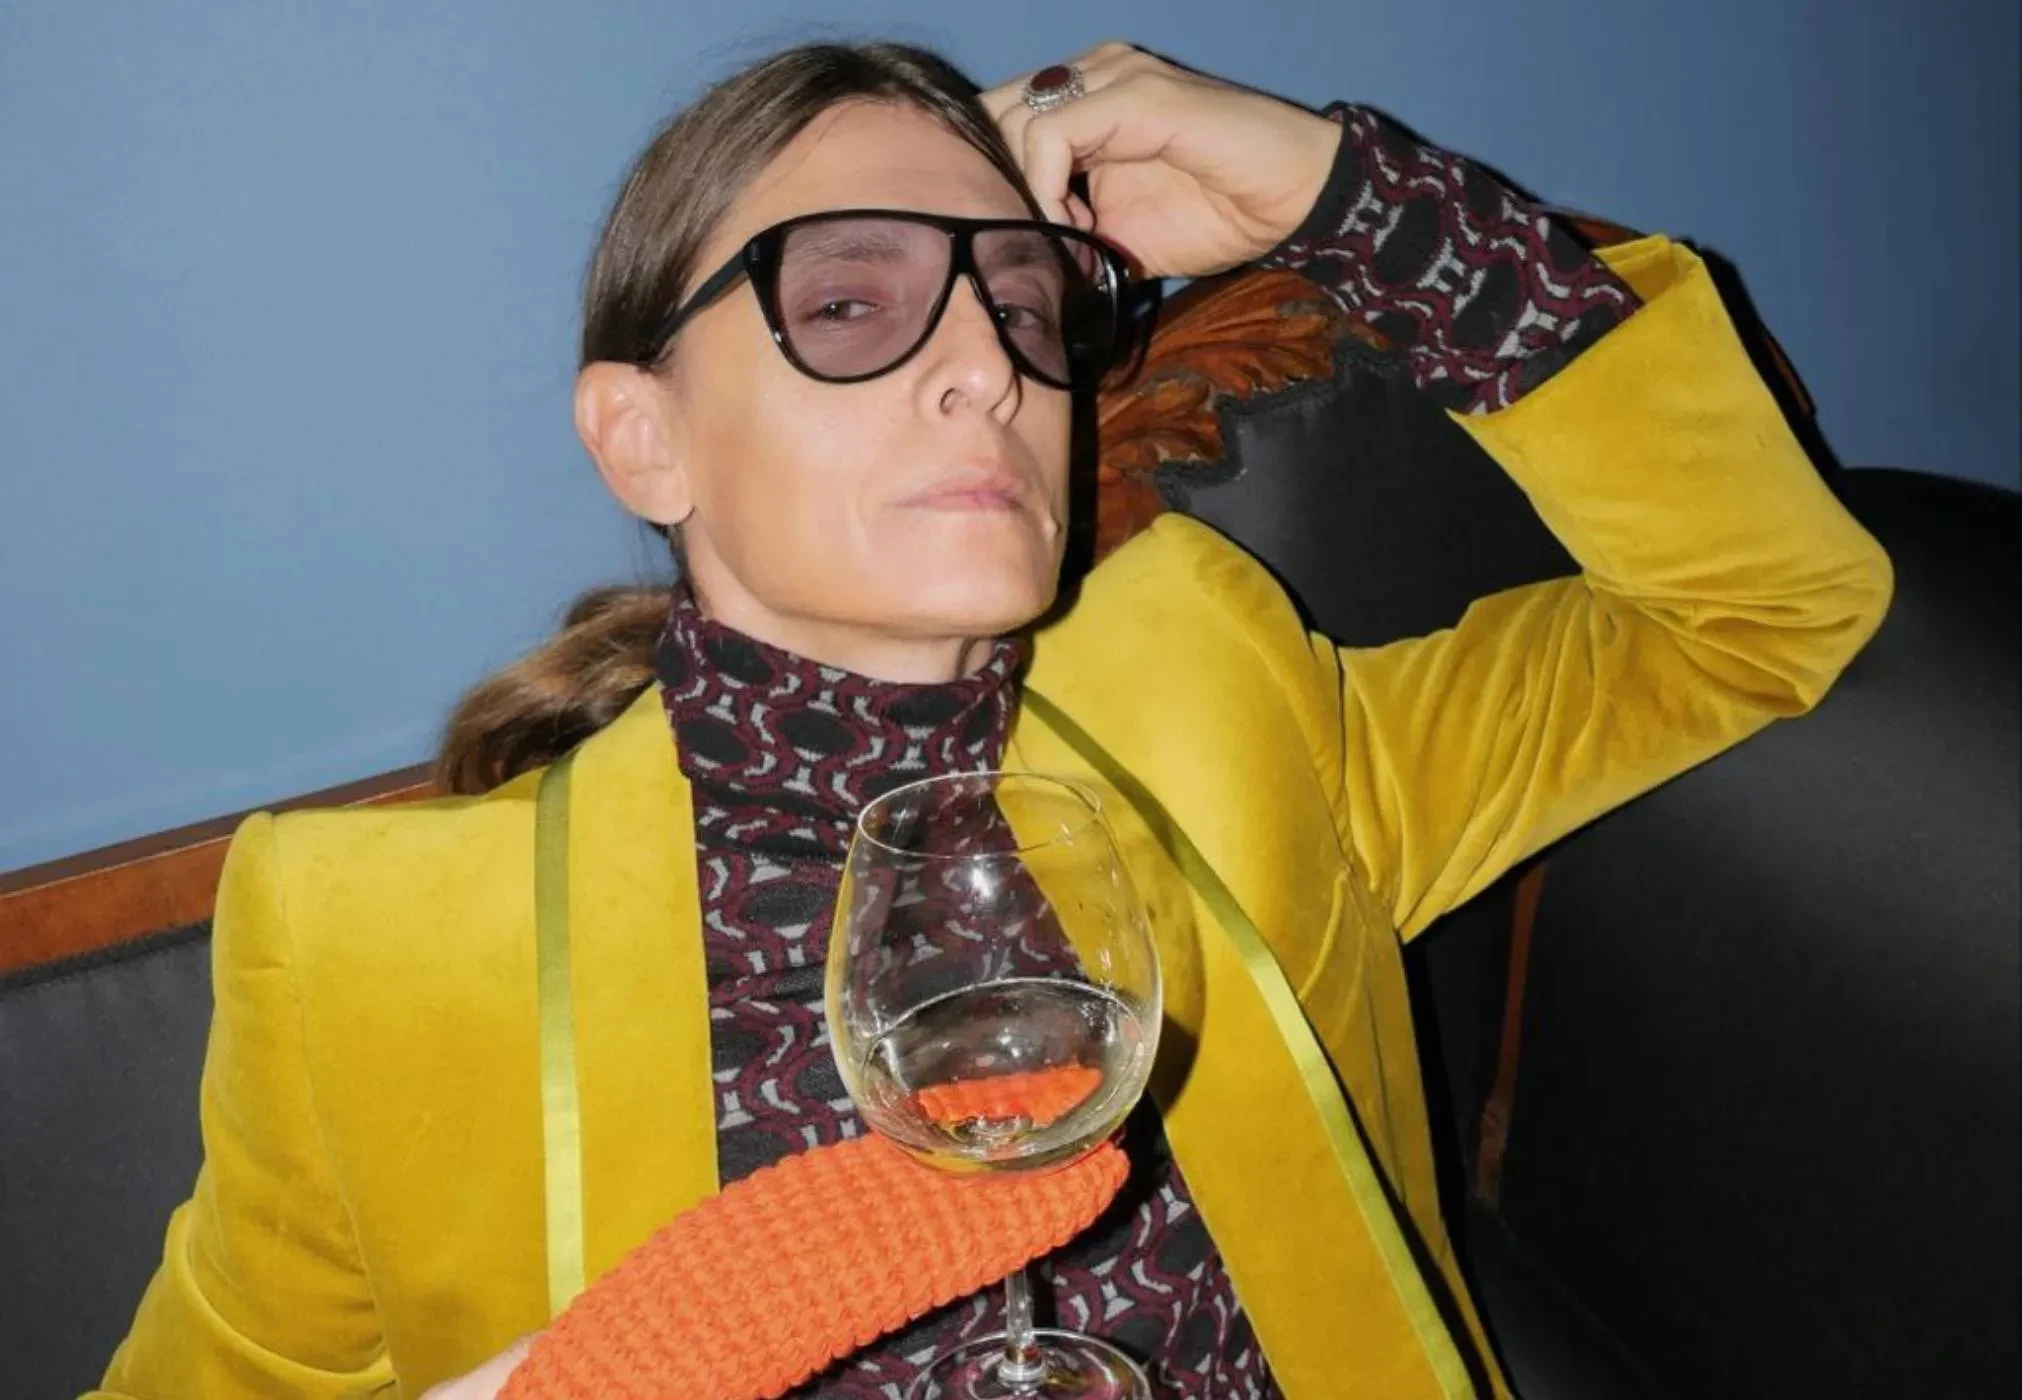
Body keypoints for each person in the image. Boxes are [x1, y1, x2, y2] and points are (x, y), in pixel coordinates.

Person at [91, 37, 1892, 1400]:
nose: (982, 364)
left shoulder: (1216, 689)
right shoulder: (369, 953)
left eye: (1023, 303)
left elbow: (1762, 610)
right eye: (848, 301)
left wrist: (1344, 198)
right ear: (643, 438)